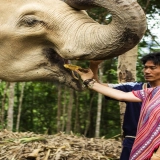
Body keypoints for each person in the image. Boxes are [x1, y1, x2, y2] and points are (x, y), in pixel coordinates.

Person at [75, 52, 160, 160]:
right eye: (145, 67)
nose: (147, 71)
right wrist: (94, 66)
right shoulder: (137, 89)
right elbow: (106, 90)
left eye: (153, 68)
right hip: (133, 141)